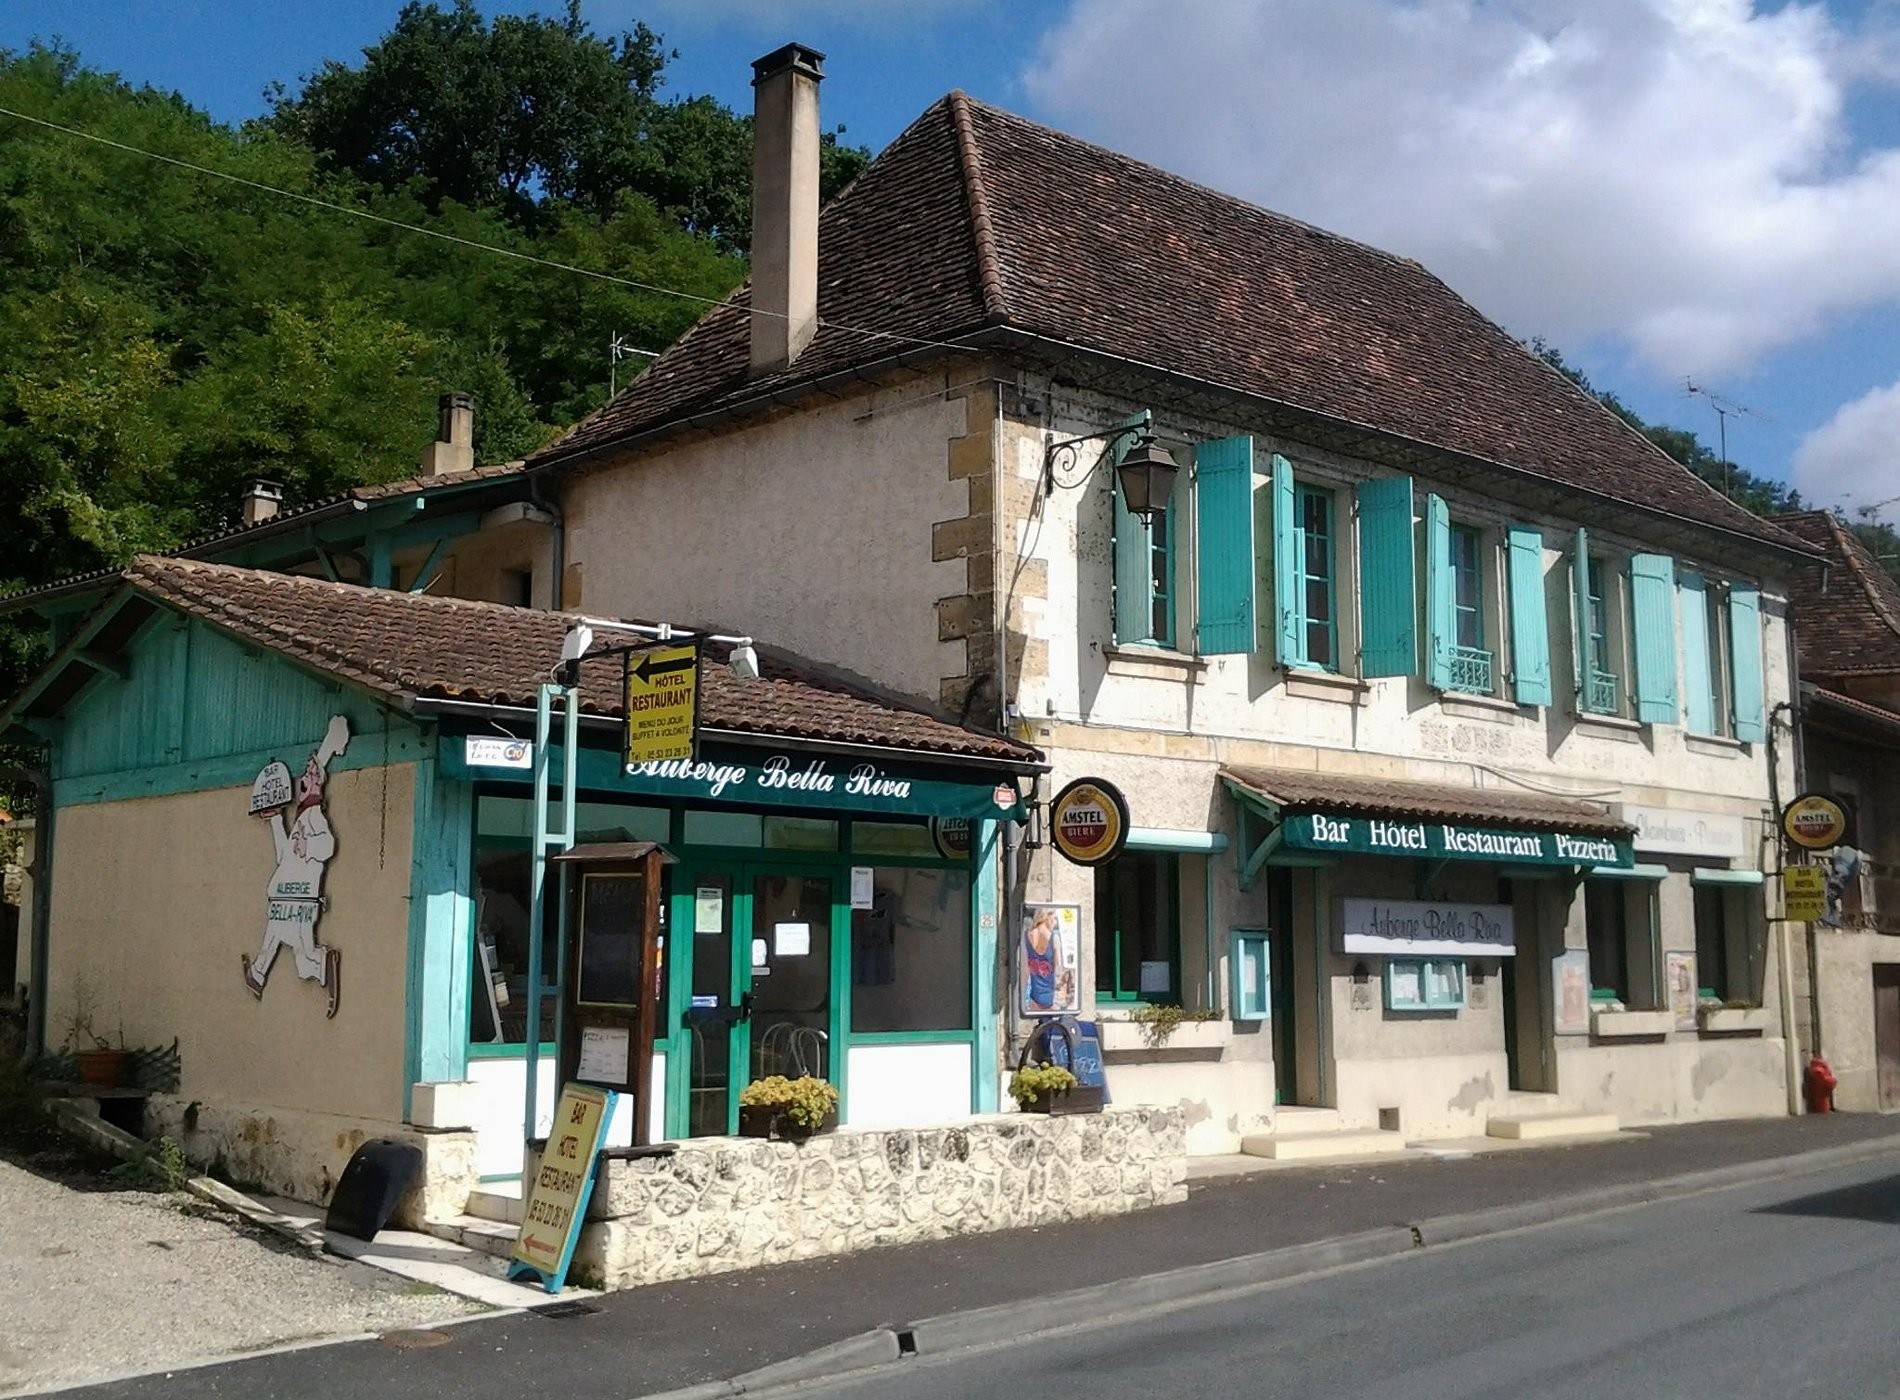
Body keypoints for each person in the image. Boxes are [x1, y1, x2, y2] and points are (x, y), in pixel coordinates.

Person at [242, 716, 349, 1016]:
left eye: (310, 778)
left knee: (300, 953)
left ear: (314, 787)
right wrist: (276, 819)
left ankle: (319, 964)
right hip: (287, 897)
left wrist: (308, 847)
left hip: (298, 898)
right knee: (285, 943)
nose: (304, 782)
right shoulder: (303, 817)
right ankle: (260, 974)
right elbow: (285, 857)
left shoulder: (315, 817)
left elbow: (327, 845)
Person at [1023, 909, 1063, 1013]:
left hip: (1033, 996)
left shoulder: (1026, 936)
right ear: (1046, 917)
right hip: (1050, 997)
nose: (1055, 922)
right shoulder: (1054, 938)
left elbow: (1025, 970)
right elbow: (1059, 968)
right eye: (1054, 918)